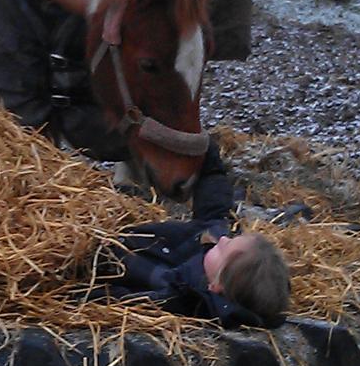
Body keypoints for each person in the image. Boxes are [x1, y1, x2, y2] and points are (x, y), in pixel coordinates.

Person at [93, 137, 291, 329]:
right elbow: (215, 203)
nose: (222, 240)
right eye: (232, 239)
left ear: (216, 286)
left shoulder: (172, 297)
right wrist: (204, 149)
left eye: (225, 250)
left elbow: (109, 299)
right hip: (113, 227)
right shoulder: (211, 238)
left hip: (94, 252)